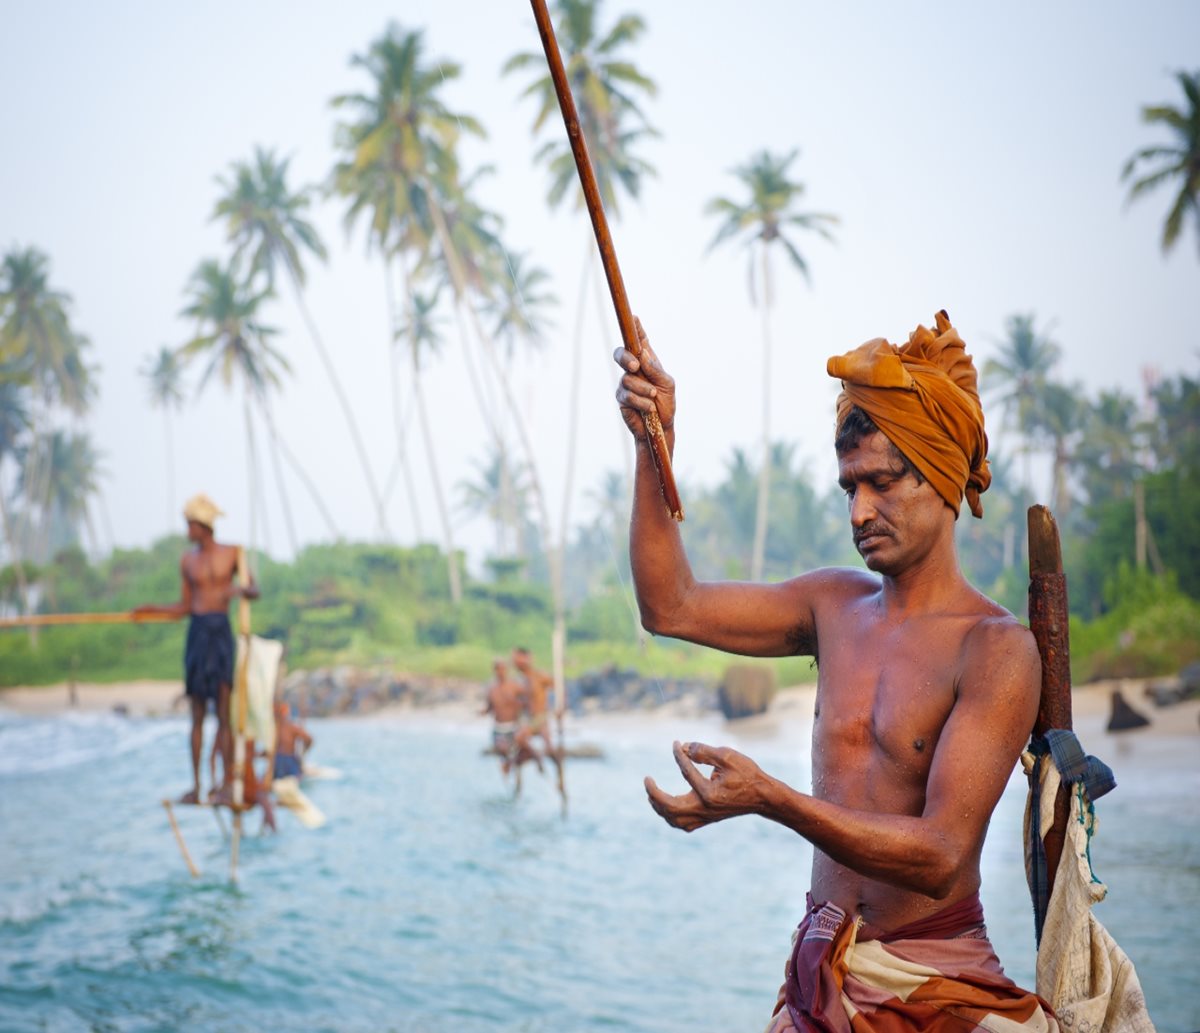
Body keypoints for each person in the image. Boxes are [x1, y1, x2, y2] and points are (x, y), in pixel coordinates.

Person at [614, 311, 1059, 1029]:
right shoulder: (832, 604)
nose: (859, 510)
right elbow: (671, 605)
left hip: (936, 979)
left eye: (881, 483)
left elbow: (942, 854)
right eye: (849, 487)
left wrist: (772, 798)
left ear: (943, 481)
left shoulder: (996, 649)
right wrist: (650, 441)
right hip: (819, 973)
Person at [134, 493, 258, 805]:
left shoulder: (233, 553)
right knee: (197, 716)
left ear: (203, 526)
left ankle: (229, 784)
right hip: (198, 634)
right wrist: (151, 610)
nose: (187, 531)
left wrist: (239, 590)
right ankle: (196, 786)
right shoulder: (187, 561)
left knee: (225, 715)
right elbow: (184, 607)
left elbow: (253, 590)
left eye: (190, 524)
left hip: (221, 633)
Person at [481, 658, 543, 787]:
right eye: (498, 669)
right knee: (502, 750)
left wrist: (525, 707)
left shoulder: (515, 686)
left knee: (523, 745)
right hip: (499, 728)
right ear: (495, 670)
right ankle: (509, 765)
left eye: (503, 669)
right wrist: (482, 712)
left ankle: (535, 762)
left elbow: (528, 698)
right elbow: (489, 707)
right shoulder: (492, 689)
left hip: (513, 726)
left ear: (506, 670)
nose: (501, 672)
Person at [273, 698, 313, 780]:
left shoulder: (289, 727)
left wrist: (303, 753)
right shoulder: (275, 728)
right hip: (279, 761)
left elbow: (308, 739)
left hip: (288, 760)